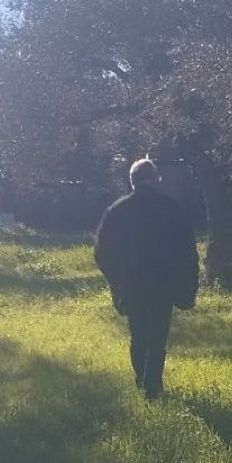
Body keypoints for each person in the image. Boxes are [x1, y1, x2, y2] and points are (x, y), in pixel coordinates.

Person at [94, 156, 199, 399]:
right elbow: (187, 250)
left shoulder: (117, 210)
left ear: (132, 181)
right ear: (155, 180)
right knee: (157, 336)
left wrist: (116, 281)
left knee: (138, 334)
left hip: (132, 285)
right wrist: (188, 284)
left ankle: (142, 380)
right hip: (163, 283)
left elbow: (102, 252)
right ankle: (153, 384)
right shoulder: (171, 208)